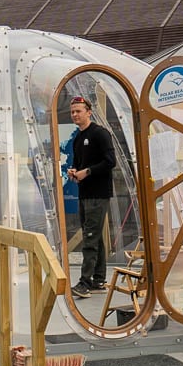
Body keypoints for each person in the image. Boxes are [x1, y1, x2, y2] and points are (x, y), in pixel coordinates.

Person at [66, 96, 115, 300]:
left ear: (89, 112)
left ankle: (85, 283)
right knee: (94, 236)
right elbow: (79, 164)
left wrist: (88, 172)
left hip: (98, 193)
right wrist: (74, 172)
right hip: (84, 193)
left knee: (89, 238)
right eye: (73, 112)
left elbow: (110, 161)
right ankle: (98, 279)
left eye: (79, 111)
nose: (75, 115)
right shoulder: (78, 138)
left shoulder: (100, 134)